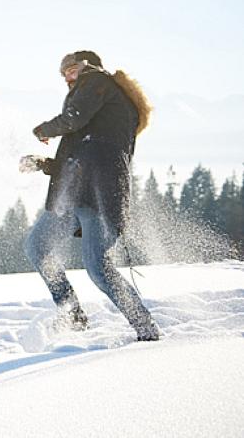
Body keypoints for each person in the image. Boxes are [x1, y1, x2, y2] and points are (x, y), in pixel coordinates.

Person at [21, 50, 159, 341]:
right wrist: (43, 163)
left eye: (71, 69)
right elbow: (78, 152)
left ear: (87, 66)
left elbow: (73, 120)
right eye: (63, 74)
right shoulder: (93, 104)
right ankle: (72, 313)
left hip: (101, 193)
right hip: (73, 193)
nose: (67, 77)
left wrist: (44, 129)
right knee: (38, 247)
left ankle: (146, 328)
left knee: (97, 266)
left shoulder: (98, 83)